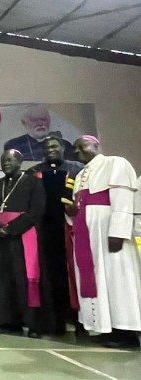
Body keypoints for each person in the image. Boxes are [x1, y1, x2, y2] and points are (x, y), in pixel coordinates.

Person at [68, 136, 141, 348]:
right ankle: (106, 328)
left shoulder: (115, 163)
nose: (78, 151)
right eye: (75, 148)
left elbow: (122, 200)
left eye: (84, 146)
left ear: (97, 145)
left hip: (108, 233)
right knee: (97, 279)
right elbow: (80, 206)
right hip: (86, 234)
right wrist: (71, 213)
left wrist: (118, 232)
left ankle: (125, 331)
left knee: (116, 279)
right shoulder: (80, 174)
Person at [0, 150, 52, 338]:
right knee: (4, 280)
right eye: (3, 160)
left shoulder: (33, 182)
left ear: (19, 161)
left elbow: (37, 210)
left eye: (10, 160)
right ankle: (9, 321)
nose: (6, 163)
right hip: (0, 239)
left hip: (23, 236)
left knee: (26, 279)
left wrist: (12, 228)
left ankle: (33, 324)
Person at [27, 136, 84, 334]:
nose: (50, 149)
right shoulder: (35, 171)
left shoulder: (77, 169)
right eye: (46, 147)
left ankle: (79, 321)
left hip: (70, 230)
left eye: (54, 146)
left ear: (62, 148)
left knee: (72, 275)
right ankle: (52, 321)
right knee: (46, 276)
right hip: (43, 233)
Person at [3, 105, 75, 161]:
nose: (40, 123)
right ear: (24, 123)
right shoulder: (13, 145)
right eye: (34, 120)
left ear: (49, 120)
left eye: (43, 119)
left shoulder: (65, 145)